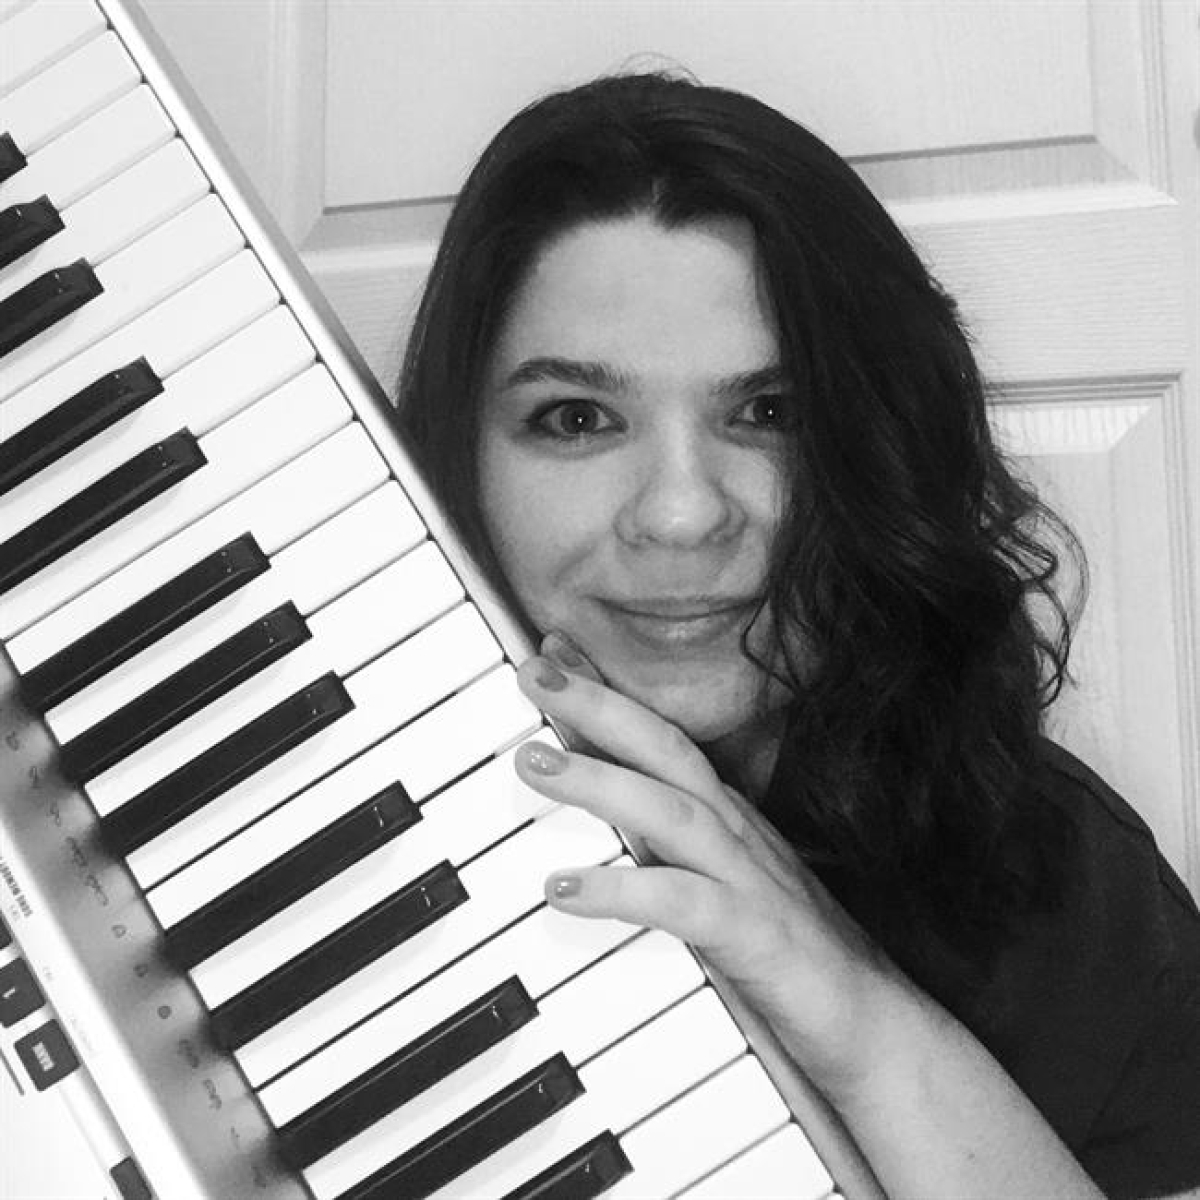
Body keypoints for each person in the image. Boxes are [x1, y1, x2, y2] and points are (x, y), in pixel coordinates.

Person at [395, 72, 1200, 1197]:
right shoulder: (307, 801)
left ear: (884, 449)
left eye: (771, 414)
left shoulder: (1068, 889)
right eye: (577, 418)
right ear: (459, 453)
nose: (683, 514)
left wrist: (859, 1016)